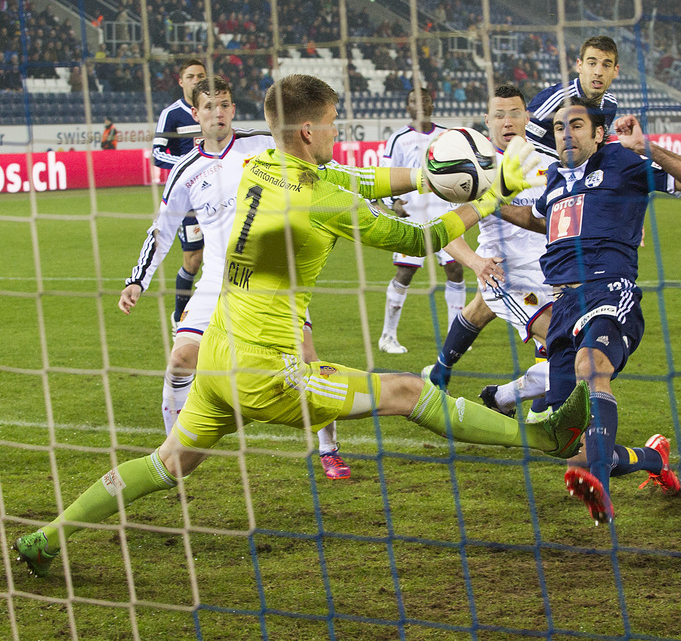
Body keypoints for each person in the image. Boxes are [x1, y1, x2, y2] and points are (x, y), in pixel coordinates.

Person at [14, 74, 591, 577]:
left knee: (165, 462)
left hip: (218, 356)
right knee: (409, 391)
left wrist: (423, 178)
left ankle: (46, 537)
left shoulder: (261, 165)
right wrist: (493, 195)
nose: (337, 133)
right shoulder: (319, 199)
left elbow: (358, 180)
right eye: (333, 123)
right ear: (310, 132)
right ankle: (543, 438)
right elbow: (420, 238)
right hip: (271, 374)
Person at [121, 76, 348, 480]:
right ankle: (172, 449)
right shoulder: (185, 171)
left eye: (225, 105)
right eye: (209, 107)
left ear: (233, 109)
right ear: (195, 114)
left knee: (307, 361)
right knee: (180, 360)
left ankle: (329, 447)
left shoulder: (260, 144)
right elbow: (162, 230)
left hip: (272, 276)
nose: (218, 113)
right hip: (216, 281)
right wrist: (137, 279)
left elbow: (318, 167)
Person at [501, 97, 681, 524]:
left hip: (609, 287)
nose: (566, 134)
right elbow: (540, 218)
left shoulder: (622, 163)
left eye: (576, 125)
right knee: (571, 451)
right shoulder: (557, 178)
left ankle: (602, 487)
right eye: (559, 127)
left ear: (599, 133)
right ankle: (652, 458)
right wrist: (480, 202)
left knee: (590, 366)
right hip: (561, 303)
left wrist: (645, 147)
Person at [423, 84, 555, 414]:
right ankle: (524, 407)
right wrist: (477, 263)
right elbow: (448, 232)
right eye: (499, 115)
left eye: (514, 114)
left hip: (552, 272)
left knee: (479, 311)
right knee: (562, 342)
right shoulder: (475, 168)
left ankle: (440, 372)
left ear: (527, 117)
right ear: (487, 121)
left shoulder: (548, 163)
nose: (507, 122)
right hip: (505, 276)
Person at [377, 89, 466, 354]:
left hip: (444, 212)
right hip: (413, 214)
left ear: (433, 103)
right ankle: (387, 336)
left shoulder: (448, 136)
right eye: (413, 100)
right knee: (405, 272)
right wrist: (393, 201)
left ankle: (455, 336)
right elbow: (386, 174)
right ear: (407, 107)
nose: (420, 105)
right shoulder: (398, 139)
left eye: (424, 99)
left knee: (456, 270)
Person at [152, 58, 208, 337]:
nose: (196, 80)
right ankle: (179, 316)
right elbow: (157, 153)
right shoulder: (172, 114)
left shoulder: (213, 110)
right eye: (191, 76)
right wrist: (186, 164)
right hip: (186, 199)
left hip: (216, 195)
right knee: (193, 260)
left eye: (201, 75)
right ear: (181, 81)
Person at [525, 36, 619, 158]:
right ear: (579, 66)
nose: (598, 72)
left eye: (606, 65)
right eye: (592, 63)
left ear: (615, 71)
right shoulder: (555, 97)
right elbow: (525, 139)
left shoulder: (610, 105)